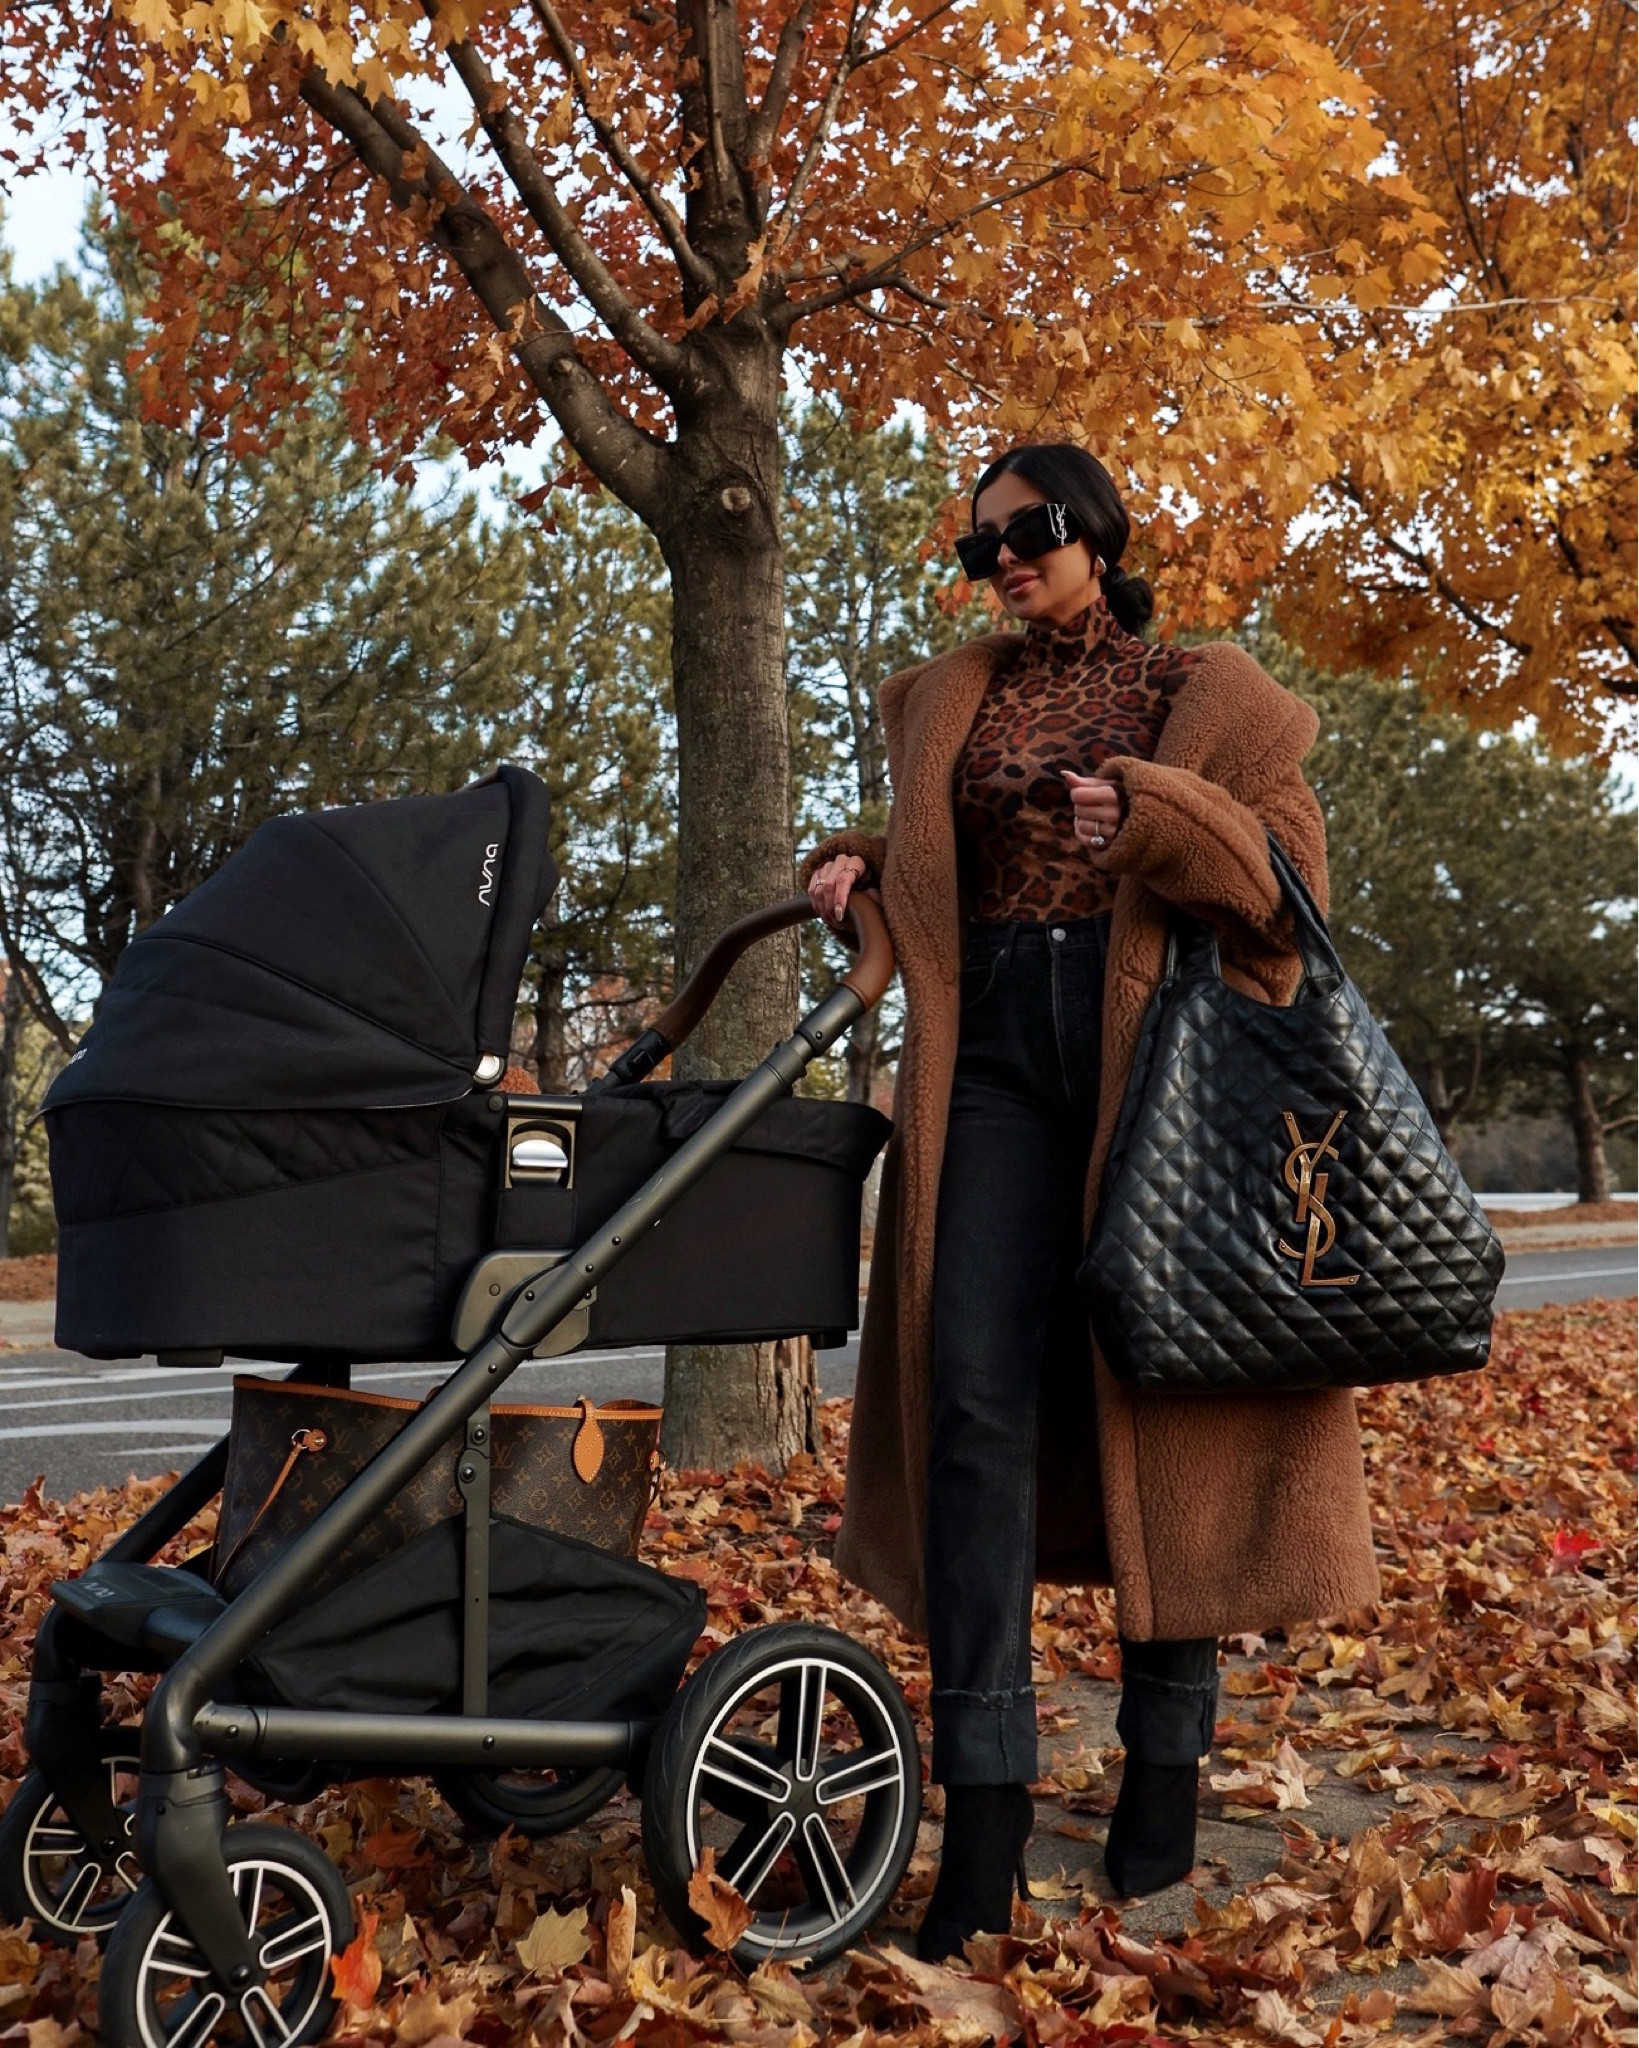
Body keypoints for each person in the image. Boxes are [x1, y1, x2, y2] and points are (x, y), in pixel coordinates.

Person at [801, 444, 1380, 1961]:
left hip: (1161, 1067)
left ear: (1100, 532)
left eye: (1034, 530)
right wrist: (856, 868)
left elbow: (1285, 894)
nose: (1004, 557)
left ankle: (1166, 1763)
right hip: (989, 1055)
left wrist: (1160, 820)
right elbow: (937, 867)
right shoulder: (954, 693)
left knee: (1160, 1381)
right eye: (982, 539)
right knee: (971, 1400)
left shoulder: (1206, 692)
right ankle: (982, 1812)